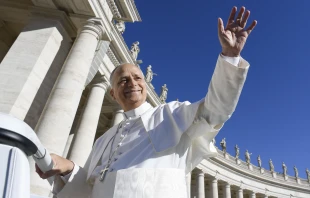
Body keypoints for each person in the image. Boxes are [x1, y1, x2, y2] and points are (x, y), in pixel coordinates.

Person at [36, 6, 257, 198]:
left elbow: (216, 109)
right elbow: (88, 191)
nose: (132, 83)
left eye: (137, 77)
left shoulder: (172, 116)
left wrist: (229, 57)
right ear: (112, 93)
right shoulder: (102, 142)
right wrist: (69, 169)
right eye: (122, 80)